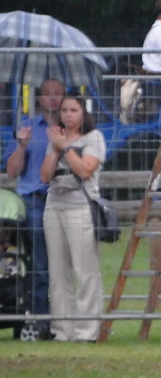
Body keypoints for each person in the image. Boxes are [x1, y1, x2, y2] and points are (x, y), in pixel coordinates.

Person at [40, 95, 105, 342]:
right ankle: (62, 330)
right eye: (64, 110)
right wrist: (55, 148)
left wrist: (66, 147)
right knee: (58, 272)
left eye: (73, 110)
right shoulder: (56, 140)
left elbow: (85, 170)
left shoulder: (93, 138)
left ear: (82, 113)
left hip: (80, 206)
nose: (68, 114)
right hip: (54, 205)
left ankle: (87, 331)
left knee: (84, 269)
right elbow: (45, 175)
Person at [6, 78, 65, 338]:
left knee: (63, 263)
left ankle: (64, 317)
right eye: (47, 94)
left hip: (64, 199)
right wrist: (21, 145)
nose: (53, 99)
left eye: (58, 94)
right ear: (40, 99)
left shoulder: (72, 127)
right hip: (34, 200)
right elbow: (11, 172)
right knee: (40, 261)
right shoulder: (28, 128)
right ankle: (41, 320)